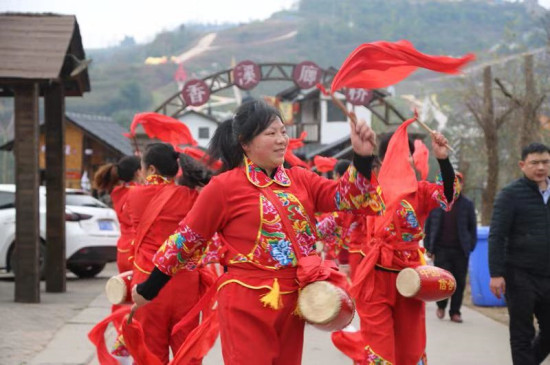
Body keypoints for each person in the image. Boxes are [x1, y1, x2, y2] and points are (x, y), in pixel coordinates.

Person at [131, 99, 385, 365]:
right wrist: (150, 288)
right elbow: (187, 240)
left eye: (283, 132)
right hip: (245, 301)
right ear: (245, 143)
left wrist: (363, 157)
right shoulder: (223, 187)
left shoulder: (301, 179)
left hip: (292, 302)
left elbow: (351, 199)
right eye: (271, 133)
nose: (281, 140)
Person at [349, 117, 459, 365]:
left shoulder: (420, 191)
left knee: (411, 350)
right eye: (396, 154)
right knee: (379, 351)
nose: (403, 159)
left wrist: (442, 159)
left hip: (410, 281)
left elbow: (447, 198)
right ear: (383, 160)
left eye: (407, 154)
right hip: (375, 277)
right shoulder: (369, 190)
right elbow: (345, 202)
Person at [125, 143, 212, 364]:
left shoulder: (134, 197)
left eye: (143, 168)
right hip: (186, 285)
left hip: (147, 284)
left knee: (150, 355)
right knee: (187, 353)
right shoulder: (193, 197)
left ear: (152, 170)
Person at [488, 142, 550, 365]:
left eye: (545, 162)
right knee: (522, 334)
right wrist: (496, 274)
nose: (541, 167)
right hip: (519, 275)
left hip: (547, 275)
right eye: (535, 163)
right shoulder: (510, 195)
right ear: (523, 165)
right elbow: (497, 235)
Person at [425, 172, 477, 323]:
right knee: (441, 282)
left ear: (462, 185)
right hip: (441, 250)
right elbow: (429, 227)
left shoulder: (467, 204)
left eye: (457, 182)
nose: (454, 185)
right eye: (451, 182)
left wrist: (470, 246)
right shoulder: (437, 203)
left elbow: (472, 228)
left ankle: (455, 312)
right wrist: (429, 247)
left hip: (461, 251)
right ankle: (441, 305)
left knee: (459, 282)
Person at [93, 156, 142, 274]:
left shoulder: (118, 192)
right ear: (138, 172)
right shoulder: (138, 192)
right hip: (136, 250)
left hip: (123, 249)